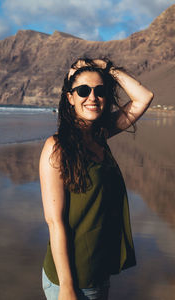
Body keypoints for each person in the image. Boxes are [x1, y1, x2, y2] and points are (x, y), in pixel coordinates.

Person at [39, 58, 154, 300]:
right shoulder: (57, 148)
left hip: (98, 272)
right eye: (83, 90)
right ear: (70, 97)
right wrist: (68, 288)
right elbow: (55, 222)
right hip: (71, 280)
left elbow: (143, 97)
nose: (92, 97)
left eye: (99, 91)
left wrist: (107, 67)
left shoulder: (100, 135)